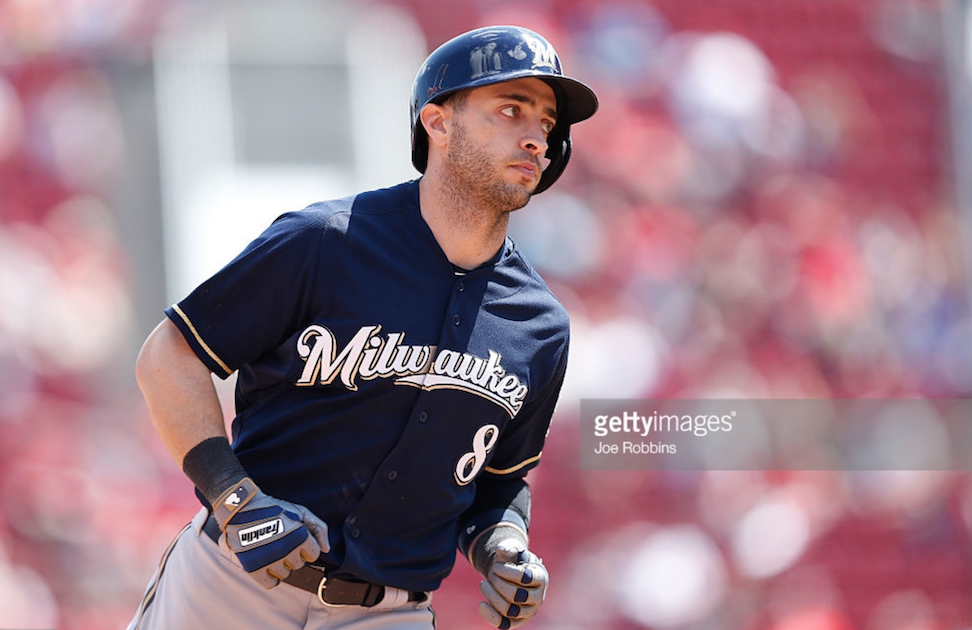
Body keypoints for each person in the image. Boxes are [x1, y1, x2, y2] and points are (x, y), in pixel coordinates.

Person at [127, 24, 597, 630]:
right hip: (231, 586)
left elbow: (501, 483)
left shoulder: (540, 325)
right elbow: (169, 356)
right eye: (512, 109)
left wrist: (503, 547)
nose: (536, 137)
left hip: (387, 614)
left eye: (548, 123)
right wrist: (233, 497)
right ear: (438, 122)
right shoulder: (324, 242)